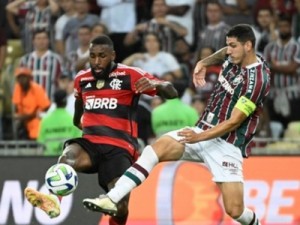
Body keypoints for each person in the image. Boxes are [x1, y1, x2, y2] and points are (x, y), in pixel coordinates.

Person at [84, 24, 271, 225]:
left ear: (248, 46)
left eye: (233, 46)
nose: (229, 51)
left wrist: (198, 137)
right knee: (153, 150)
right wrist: (203, 62)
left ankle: (256, 223)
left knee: (235, 210)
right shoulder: (234, 55)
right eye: (228, 46)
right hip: (201, 130)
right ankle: (112, 198)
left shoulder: (257, 80)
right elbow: (223, 53)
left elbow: (234, 121)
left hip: (227, 145)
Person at [24, 35, 178, 225]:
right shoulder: (82, 79)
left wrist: (157, 84)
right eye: (93, 56)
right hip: (90, 144)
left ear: (113, 55)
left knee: (119, 206)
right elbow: (79, 105)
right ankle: (54, 200)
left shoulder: (130, 75)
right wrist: (77, 121)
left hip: (119, 148)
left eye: (102, 56)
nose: (97, 62)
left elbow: (171, 92)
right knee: (67, 158)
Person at [38, 89, 81, 156]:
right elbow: (78, 142)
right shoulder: (73, 120)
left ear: (54, 102)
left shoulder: (45, 121)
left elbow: (40, 142)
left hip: (48, 159)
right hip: (68, 159)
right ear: (66, 101)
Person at [12, 67, 51, 140]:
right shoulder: (18, 87)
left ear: (29, 78)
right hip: (22, 120)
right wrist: (17, 116)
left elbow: (46, 106)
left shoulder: (37, 88)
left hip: (35, 119)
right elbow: (15, 105)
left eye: (24, 77)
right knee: (15, 125)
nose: (21, 80)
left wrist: (26, 116)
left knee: (36, 129)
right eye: (19, 77)